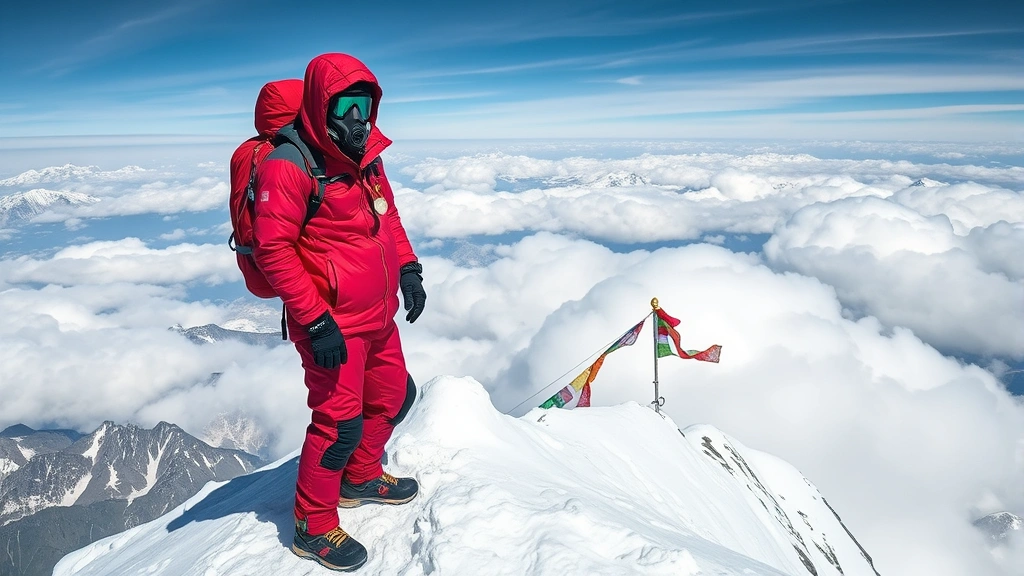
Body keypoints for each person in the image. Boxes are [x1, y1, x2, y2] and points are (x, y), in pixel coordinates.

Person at [252, 53, 426, 572]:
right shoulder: (290, 164)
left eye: (365, 107)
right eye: (345, 106)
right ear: (318, 106)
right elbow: (273, 249)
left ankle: (362, 476)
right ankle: (313, 524)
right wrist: (315, 318)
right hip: (330, 325)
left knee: (396, 396)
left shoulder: (368, 157)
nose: (358, 119)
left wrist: (410, 269)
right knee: (338, 423)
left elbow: (386, 217)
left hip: (378, 314)